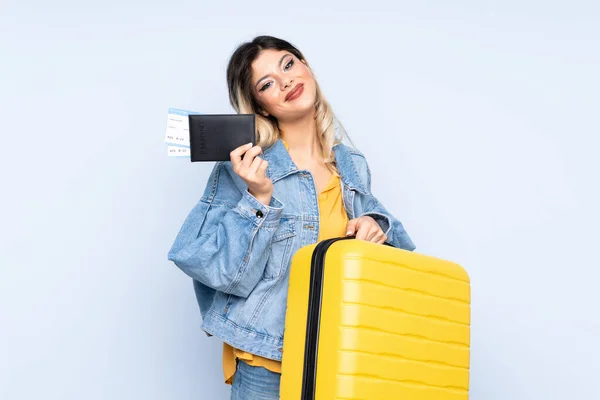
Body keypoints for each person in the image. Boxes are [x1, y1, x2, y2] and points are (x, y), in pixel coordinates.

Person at [168, 35, 416, 400]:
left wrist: (377, 226)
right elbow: (218, 270)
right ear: (261, 106)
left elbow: (393, 256)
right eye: (267, 83)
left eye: (288, 64)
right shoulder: (244, 168)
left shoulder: (350, 164)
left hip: (340, 352)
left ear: (306, 67)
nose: (285, 81)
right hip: (267, 357)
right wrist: (258, 198)